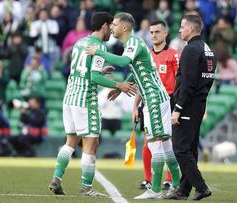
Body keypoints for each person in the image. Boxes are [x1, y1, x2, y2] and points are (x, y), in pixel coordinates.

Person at [85, 12, 181, 200]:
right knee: (165, 144)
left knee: (155, 144)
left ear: (125, 27)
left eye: (114, 24)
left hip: (153, 97)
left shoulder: (134, 43)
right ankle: (177, 185)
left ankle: (155, 189)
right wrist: (120, 89)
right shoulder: (134, 44)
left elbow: (124, 62)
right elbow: (138, 70)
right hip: (156, 96)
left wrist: (99, 52)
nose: (111, 27)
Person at [47, 12, 136, 196]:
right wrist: (118, 84)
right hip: (85, 100)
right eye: (110, 26)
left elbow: (83, 70)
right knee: (91, 143)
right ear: (104, 25)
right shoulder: (98, 46)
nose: (111, 30)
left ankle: (56, 179)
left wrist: (101, 70)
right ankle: (86, 188)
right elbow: (93, 77)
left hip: (70, 97)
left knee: (70, 142)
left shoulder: (80, 42)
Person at [165, 14, 216, 201]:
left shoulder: (190, 50)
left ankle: (201, 187)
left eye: (182, 26)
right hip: (198, 104)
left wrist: (178, 108)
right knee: (190, 148)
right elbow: (207, 81)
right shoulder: (208, 49)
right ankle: (183, 191)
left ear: (191, 29)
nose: (179, 30)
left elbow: (187, 84)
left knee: (179, 149)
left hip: (187, 105)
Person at [137, 20, 180, 190]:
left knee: (169, 140)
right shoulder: (146, 55)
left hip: (169, 100)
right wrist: (136, 106)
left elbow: (180, 81)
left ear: (165, 34)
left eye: (157, 32)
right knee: (149, 141)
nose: (154, 35)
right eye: (152, 32)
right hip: (148, 101)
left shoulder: (173, 54)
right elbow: (141, 83)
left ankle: (169, 179)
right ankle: (148, 179)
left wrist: (178, 105)